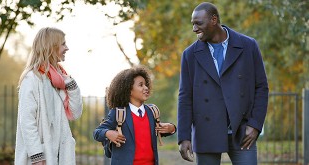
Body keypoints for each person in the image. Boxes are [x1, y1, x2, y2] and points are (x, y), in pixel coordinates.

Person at [177, 2, 269, 165]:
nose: (194, 29)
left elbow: (261, 87)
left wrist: (255, 125)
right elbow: (185, 97)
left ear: (214, 20)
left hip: (242, 132)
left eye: (199, 23)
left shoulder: (248, 46)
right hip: (206, 132)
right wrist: (184, 137)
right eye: (193, 24)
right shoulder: (189, 55)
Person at [15, 27, 83, 165]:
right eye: (63, 44)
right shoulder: (32, 79)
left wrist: (71, 84)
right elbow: (27, 121)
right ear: (51, 46)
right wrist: (37, 155)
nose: (67, 48)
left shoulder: (59, 80)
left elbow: (75, 113)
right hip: (41, 159)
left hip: (60, 155)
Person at [93, 66, 176, 165]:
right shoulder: (118, 113)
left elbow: (158, 132)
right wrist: (108, 133)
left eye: (146, 84)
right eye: (141, 85)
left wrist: (171, 128)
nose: (146, 88)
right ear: (129, 90)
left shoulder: (152, 112)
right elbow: (97, 133)